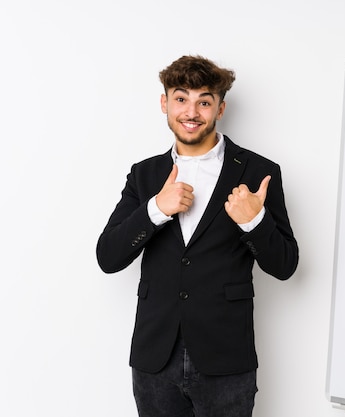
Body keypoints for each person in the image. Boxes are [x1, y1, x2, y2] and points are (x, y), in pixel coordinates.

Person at [96, 55, 299, 417]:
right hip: (154, 358)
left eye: (204, 101)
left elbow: (285, 265)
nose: (192, 112)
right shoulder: (145, 174)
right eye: (181, 99)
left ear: (220, 108)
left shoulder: (258, 171)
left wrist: (254, 221)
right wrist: (156, 208)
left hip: (226, 358)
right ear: (165, 104)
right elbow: (108, 257)